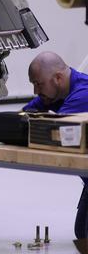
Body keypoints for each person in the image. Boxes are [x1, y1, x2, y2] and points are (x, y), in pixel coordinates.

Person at [25, 51, 88, 240]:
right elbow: (25, 115)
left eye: (38, 84)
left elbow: (50, 128)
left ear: (58, 78)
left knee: (84, 234)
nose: (36, 91)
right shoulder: (55, 94)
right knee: (82, 233)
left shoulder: (83, 94)